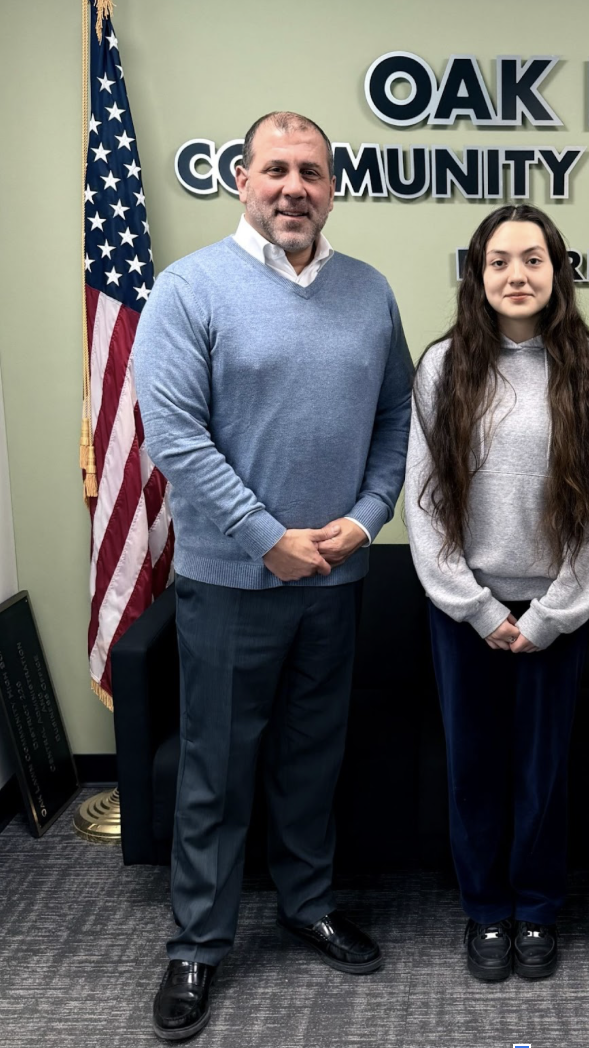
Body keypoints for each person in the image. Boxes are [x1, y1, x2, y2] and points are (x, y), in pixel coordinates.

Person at [133, 111, 413, 1041]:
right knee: (215, 772)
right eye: (277, 170)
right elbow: (176, 436)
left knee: (310, 759)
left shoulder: (369, 292)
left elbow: (396, 417)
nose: (295, 187)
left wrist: (366, 517)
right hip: (229, 583)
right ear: (242, 180)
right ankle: (198, 943)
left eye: (312, 172)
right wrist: (265, 538)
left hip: (335, 580)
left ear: (333, 188)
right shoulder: (190, 289)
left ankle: (307, 905)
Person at [405, 204, 589, 981]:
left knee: (542, 770)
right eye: (498, 261)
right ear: (477, 273)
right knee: (473, 768)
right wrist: (475, 606)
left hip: (555, 614)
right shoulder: (442, 367)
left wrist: (553, 615)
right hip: (462, 612)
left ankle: (535, 906)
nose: (516, 275)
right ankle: (486, 909)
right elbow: (424, 501)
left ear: (556, 271)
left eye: (532, 259)